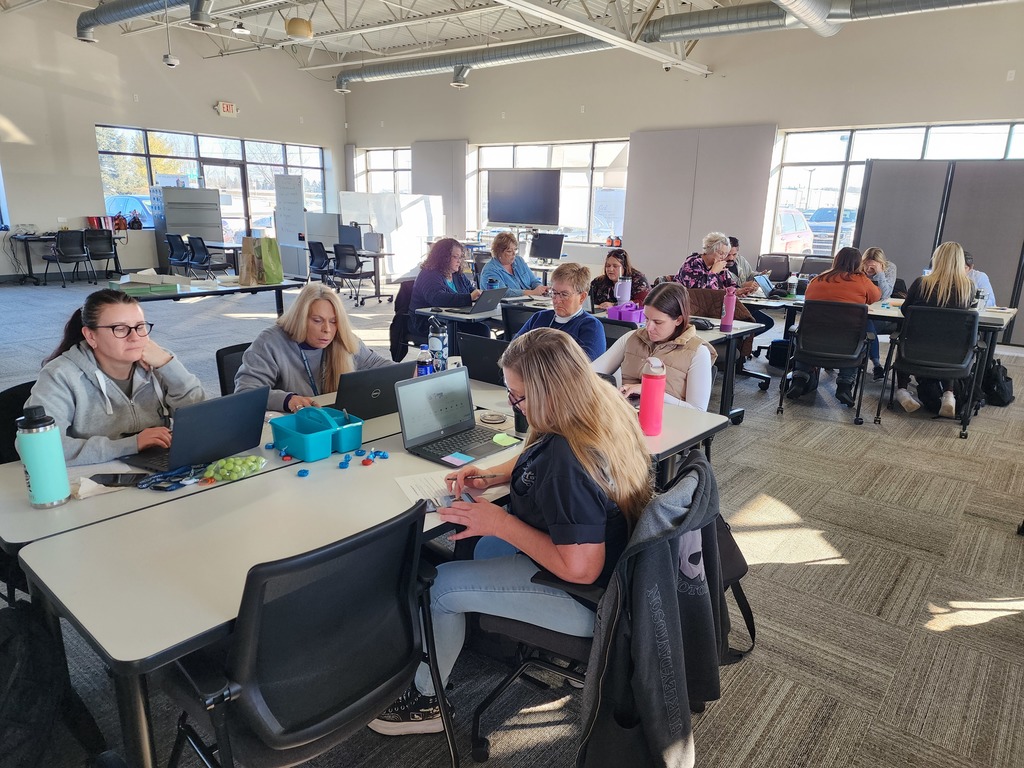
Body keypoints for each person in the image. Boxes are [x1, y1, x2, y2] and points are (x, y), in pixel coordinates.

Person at [368, 328, 654, 736]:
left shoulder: (567, 463)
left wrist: (500, 521)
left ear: (550, 393)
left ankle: (427, 702)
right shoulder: (597, 406)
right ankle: (465, 640)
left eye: (517, 396)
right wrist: (493, 476)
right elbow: (535, 453)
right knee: (483, 546)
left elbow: (582, 569)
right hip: (620, 577)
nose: (511, 403)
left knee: (441, 588)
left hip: (592, 601)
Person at [25, 289, 204, 465]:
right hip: (92, 475)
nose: (135, 337)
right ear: (91, 336)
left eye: (140, 327)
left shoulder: (160, 361)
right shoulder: (60, 375)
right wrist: (131, 445)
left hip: (157, 464)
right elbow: (39, 449)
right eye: (120, 329)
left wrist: (169, 365)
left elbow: (203, 420)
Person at [234, 282, 393, 413]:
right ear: (300, 319)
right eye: (317, 320)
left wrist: (409, 371)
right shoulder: (270, 342)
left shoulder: (341, 337)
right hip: (292, 429)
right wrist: (288, 399)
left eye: (333, 321)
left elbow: (377, 364)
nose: (327, 330)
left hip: (331, 423)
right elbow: (246, 392)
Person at [593, 282, 718, 410]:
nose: (648, 327)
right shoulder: (632, 337)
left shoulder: (698, 352)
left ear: (678, 320)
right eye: (646, 319)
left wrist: (650, 391)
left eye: (658, 322)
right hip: (628, 419)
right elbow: (590, 373)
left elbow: (698, 411)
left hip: (672, 423)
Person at [787, 246, 881, 406]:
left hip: (811, 343)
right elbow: (876, 297)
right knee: (857, 339)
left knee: (805, 333)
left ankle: (799, 379)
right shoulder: (862, 281)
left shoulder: (817, 280)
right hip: (845, 346)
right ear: (859, 263)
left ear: (836, 260)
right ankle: (844, 385)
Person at [893, 242, 976, 417]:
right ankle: (948, 394)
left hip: (914, 350)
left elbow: (905, 311)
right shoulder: (968, 287)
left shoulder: (921, 282)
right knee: (949, 341)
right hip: (951, 354)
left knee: (902, 338)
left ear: (936, 259)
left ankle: (902, 391)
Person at [514, 263, 606, 360]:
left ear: (582, 297)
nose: (557, 300)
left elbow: (583, 368)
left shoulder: (590, 326)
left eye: (564, 294)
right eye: (554, 293)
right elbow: (514, 351)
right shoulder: (540, 318)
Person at [407, 238, 483, 338]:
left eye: (460, 257)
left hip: (453, 319)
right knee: (460, 335)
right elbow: (438, 298)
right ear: (443, 257)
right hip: (429, 322)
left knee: (481, 330)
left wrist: (479, 296)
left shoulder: (457, 275)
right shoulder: (429, 275)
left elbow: (470, 290)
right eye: (455, 257)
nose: (459, 261)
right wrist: (469, 298)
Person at [675, 232, 755, 296]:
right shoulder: (693, 263)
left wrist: (740, 291)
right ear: (709, 250)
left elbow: (731, 285)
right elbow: (698, 292)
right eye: (720, 253)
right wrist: (713, 272)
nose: (723, 257)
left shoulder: (719, 265)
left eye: (725, 254)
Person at [861, 247, 899, 379]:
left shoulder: (890, 268)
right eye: (867, 265)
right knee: (865, 323)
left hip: (882, 312)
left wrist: (880, 274)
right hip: (863, 310)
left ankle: (868, 359)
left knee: (865, 327)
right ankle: (876, 364)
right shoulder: (858, 268)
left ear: (882, 264)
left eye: (873, 267)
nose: (869, 270)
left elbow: (886, 294)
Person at [726, 235, 775, 336]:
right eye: (728, 254)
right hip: (732, 305)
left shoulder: (741, 260)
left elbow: (750, 274)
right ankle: (739, 344)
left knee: (766, 322)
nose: (731, 258)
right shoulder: (718, 267)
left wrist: (759, 276)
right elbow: (722, 288)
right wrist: (742, 286)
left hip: (745, 300)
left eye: (734, 254)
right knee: (760, 322)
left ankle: (742, 344)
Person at [478, 232, 547, 298]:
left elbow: (533, 281)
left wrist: (540, 288)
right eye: (509, 251)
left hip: (530, 302)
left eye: (515, 250)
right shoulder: (490, 270)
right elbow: (503, 293)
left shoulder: (519, 261)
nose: (514, 254)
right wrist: (532, 292)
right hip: (508, 307)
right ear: (498, 252)